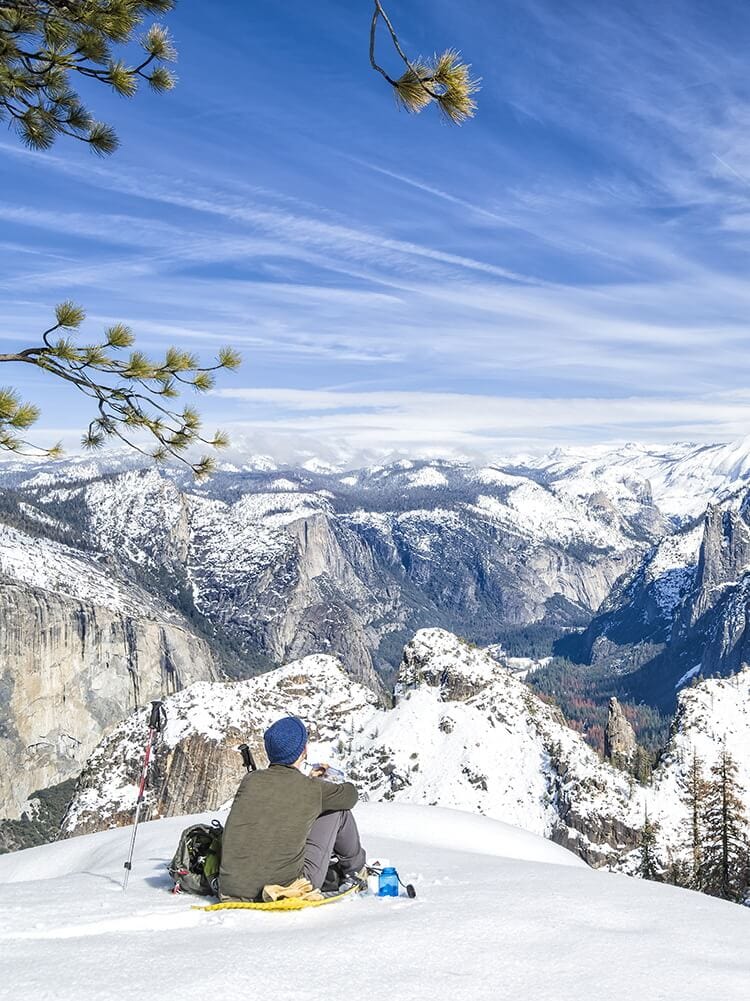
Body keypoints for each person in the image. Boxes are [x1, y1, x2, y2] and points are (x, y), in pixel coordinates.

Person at [219, 715, 366, 902]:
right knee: (338, 811)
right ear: (303, 750)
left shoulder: (250, 780)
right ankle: (356, 871)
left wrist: (310, 782)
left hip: (233, 887)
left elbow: (283, 797)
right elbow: (350, 796)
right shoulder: (312, 789)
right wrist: (320, 783)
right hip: (288, 886)